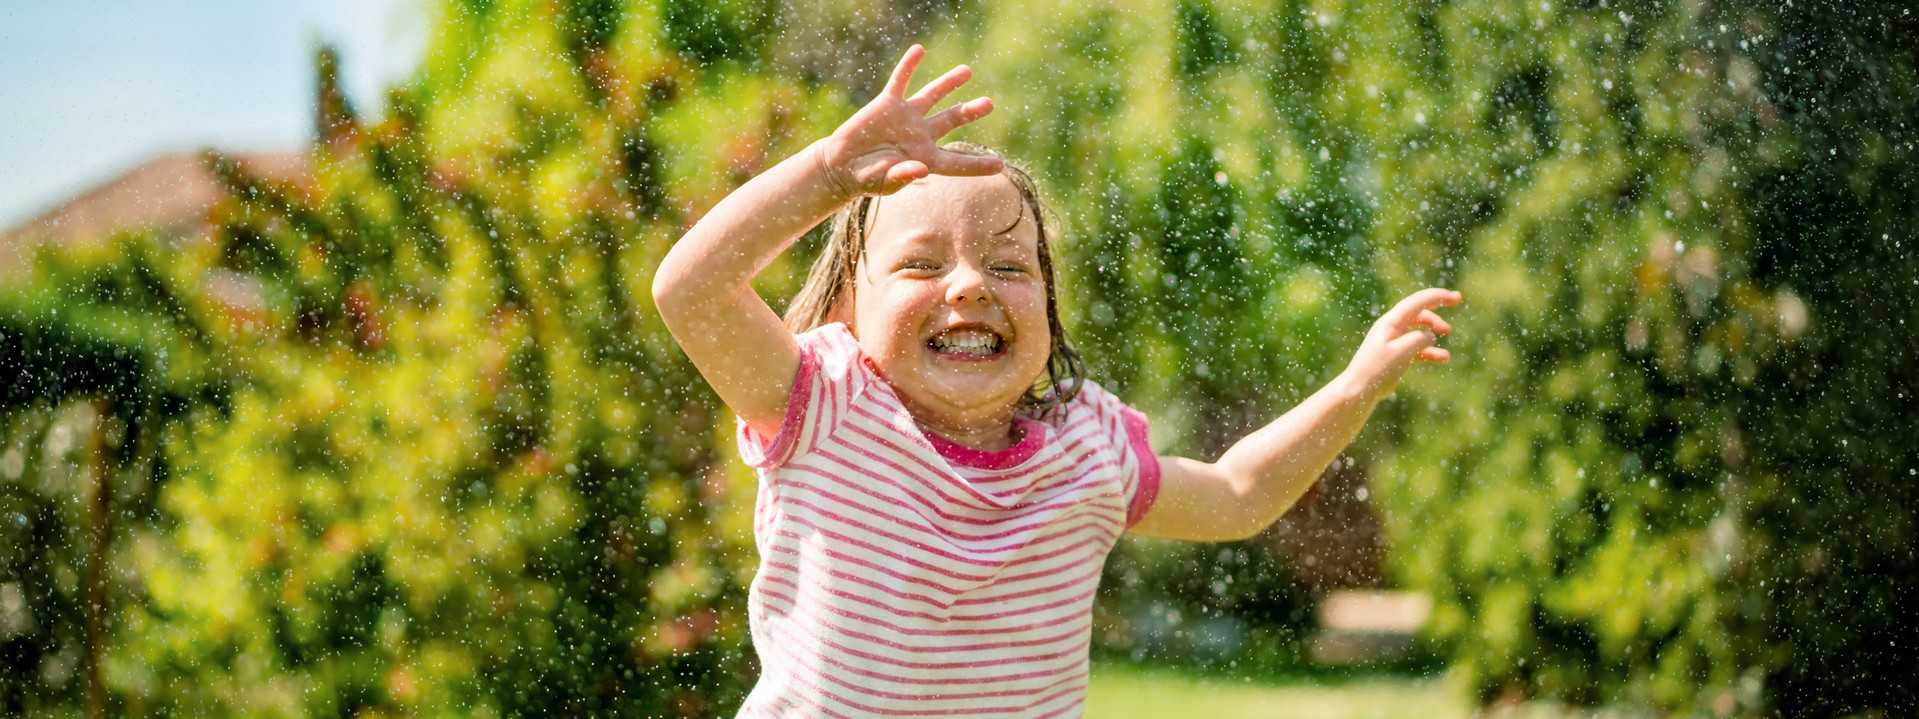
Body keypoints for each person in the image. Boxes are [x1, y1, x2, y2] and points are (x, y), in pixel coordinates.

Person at [652, 44, 1462, 719]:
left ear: (1048, 308)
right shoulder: (823, 404)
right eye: (921, 263)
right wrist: (830, 171)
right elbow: (689, 290)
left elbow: (1237, 492)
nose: (969, 285)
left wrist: (1356, 384)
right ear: (843, 307)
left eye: (1008, 265)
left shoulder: (1084, 448)